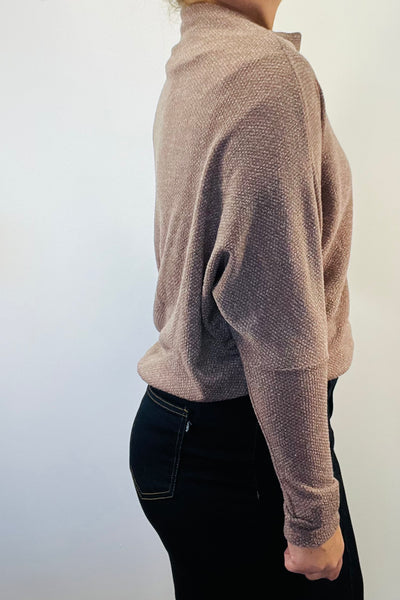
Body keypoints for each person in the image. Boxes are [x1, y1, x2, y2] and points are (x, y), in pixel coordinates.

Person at [129, 0, 364, 598]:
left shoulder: (199, 58)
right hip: (243, 445)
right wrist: (311, 518)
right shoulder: (265, 73)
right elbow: (276, 320)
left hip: (191, 436)